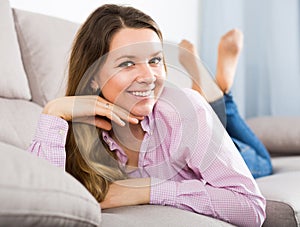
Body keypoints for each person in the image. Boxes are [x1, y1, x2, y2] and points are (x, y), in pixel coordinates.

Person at [28, 4, 266, 226]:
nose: (149, 76)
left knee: (260, 161)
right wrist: (53, 112)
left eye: (155, 60)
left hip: (211, 136)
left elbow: (251, 207)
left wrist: (145, 190)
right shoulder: (71, 126)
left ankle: (223, 95)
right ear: (92, 78)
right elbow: (41, 207)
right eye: (127, 64)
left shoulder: (186, 112)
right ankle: (217, 93)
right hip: (197, 132)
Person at [177, 29, 273, 179]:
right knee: (265, 164)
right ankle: (218, 96)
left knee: (260, 159)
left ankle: (221, 97)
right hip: (217, 155)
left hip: (200, 150)